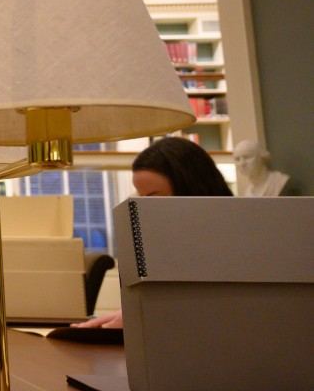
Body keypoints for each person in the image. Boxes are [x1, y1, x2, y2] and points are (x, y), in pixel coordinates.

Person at [74, 136, 232, 328]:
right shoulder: (162, 242)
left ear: (190, 188)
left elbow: (220, 310)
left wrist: (146, 316)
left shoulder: (232, 241)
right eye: (141, 198)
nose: (144, 208)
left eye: (154, 198)